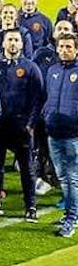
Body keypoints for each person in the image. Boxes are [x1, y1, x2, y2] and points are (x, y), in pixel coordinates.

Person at [0, 30, 44, 220]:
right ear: (3, 43)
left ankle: (31, 206)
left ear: (21, 44)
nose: (12, 43)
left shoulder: (31, 67)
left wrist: (30, 124)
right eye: (9, 39)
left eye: (16, 40)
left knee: (27, 168)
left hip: (21, 127)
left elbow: (39, 98)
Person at [43, 34, 78, 238]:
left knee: (72, 178)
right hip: (53, 133)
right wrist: (46, 116)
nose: (64, 50)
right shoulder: (53, 70)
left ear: (76, 49)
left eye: (68, 46)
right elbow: (49, 98)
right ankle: (72, 213)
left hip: (73, 135)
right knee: (64, 177)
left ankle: (70, 219)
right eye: (61, 46)